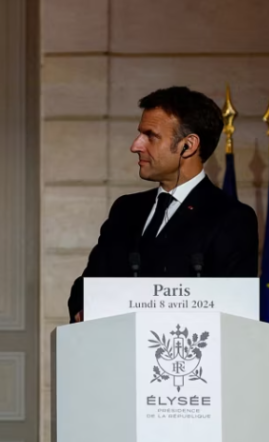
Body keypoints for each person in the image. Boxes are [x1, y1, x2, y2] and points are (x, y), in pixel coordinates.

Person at [67, 86, 258, 323]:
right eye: (140, 134)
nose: (136, 146)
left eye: (150, 136)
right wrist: (83, 309)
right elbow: (87, 286)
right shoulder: (126, 210)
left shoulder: (231, 217)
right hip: (113, 344)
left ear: (188, 145)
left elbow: (234, 310)